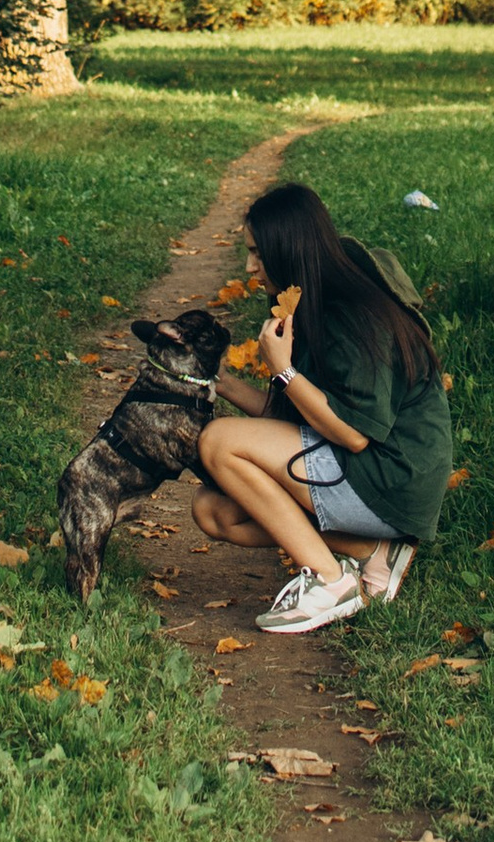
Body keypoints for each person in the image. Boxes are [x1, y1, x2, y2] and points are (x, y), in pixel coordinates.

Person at [192, 180, 453, 634]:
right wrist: (221, 383)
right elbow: (288, 421)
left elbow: (354, 432)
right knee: (214, 510)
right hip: (356, 467)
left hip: (390, 477)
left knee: (218, 441)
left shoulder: (351, 311)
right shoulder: (306, 300)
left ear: (286, 250)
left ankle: (332, 583)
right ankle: (371, 551)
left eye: (257, 253)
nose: (250, 267)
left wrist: (284, 371)